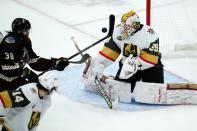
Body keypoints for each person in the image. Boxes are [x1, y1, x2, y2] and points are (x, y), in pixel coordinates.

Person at [81, 10, 164, 103]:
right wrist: (98, 63)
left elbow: (151, 59)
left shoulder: (150, 34)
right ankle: (108, 78)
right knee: (119, 91)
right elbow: (109, 53)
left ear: (135, 25)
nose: (123, 29)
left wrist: (134, 65)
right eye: (123, 25)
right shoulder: (117, 32)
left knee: (153, 93)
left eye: (127, 27)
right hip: (126, 68)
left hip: (149, 67)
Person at [0, 18, 69, 92]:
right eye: (25, 31)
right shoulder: (9, 44)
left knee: (36, 92)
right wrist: (25, 73)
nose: (28, 32)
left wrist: (54, 63)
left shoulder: (25, 41)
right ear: (19, 31)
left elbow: (33, 60)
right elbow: (7, 68)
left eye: (28, 30)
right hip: (2, 82)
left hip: (14, 80)